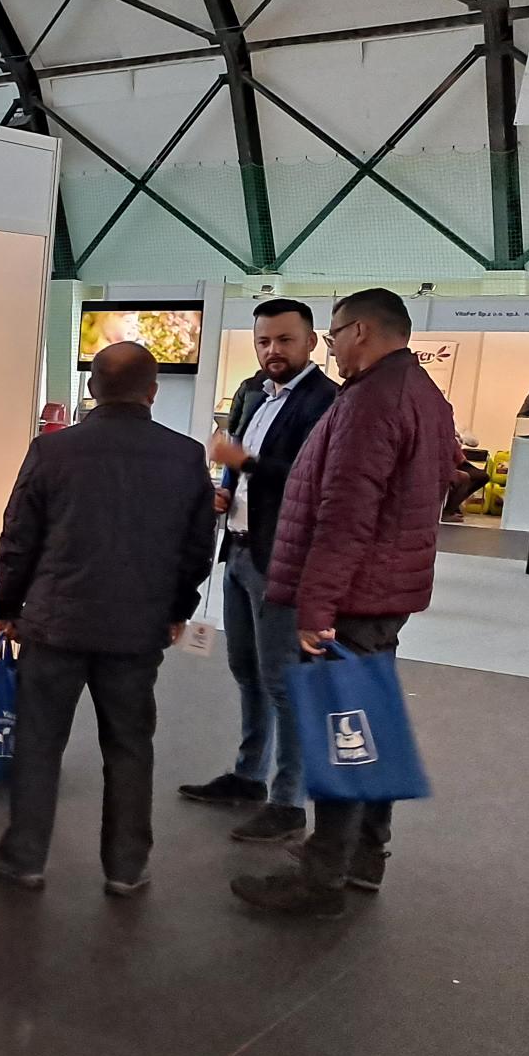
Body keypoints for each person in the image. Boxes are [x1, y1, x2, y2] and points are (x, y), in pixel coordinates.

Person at [233, 288, 461, 918]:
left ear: (359, 331)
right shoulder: (421, 393)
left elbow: (346, 515)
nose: (330, 346)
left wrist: (317, 609)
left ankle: (322, 877)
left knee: (345, 732)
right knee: (370, 721)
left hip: (356, 598)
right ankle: (364, 854)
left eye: (332, 334)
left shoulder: (370, 402)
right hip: (384, 591)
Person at [0, 343, 214, 896]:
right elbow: (197, 547)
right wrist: (178, 610)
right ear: (153, 392)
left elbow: (18, 536)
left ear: (92, 390)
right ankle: (126, 868)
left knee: (39, 743)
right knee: (130, 746)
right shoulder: (184, 456)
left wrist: (6, 606)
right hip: (137, 630)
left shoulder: (52, 451)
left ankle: (24, 857)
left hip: (56, 624)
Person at [178, 300, 339, 842]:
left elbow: (310, 481)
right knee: (246, 671)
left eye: (285, 340)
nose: (273, 350)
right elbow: (239, 461)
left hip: (284, 562)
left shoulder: (326, 402)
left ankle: (288, 800)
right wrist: (226, 489)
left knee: (284, 682)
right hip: (242, 550)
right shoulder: (252, 392)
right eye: (264, 340)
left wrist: (244, 464)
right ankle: (249, 775)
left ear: (311, 342)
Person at [443, 432, 490, 522]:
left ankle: (455, 503)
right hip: (449, 462)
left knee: (483, 477)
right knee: (464, 477)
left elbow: (474, 442)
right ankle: (448, 511)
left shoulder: (454, 429)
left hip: (457, 461)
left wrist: (460, 437)